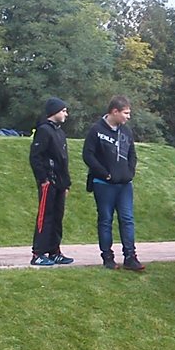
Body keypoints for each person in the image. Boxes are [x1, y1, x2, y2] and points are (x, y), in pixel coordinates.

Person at [83, 95, 144, 271]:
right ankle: (107, 257)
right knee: (105, 220)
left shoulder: (126, 131)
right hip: (103, 184)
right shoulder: (96, 130)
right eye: (126, 113)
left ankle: (130, 257)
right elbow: (88, 155)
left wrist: (130, 172)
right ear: (114, 111)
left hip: (124, 184)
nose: (128, 117)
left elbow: (132, 154)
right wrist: (105, 174)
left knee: (127, 219)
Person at [28, 97, 73, 266]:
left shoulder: (60, 133)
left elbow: (63, 160)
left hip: (60, 182)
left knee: (57, 216)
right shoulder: (44, 131)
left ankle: (54, 251)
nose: (66, 114)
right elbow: (36, 156)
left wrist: (66, 183)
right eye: (63, 111)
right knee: (45, 216)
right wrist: (43, 179)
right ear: (54, 111)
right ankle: (38, 253)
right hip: (48, 182)